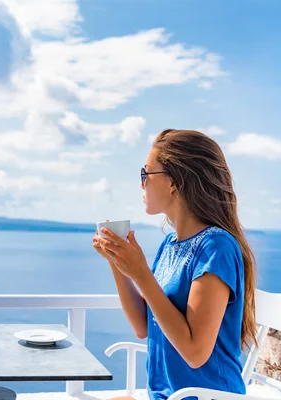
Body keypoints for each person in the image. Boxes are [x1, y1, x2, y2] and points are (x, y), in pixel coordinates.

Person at [92, 129, 257, 400]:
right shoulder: (171, 244)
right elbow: (143, 327)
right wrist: (118, 263)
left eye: (146, 174)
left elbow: (195, 353)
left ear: (174, 183)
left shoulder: (216, 247)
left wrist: (142, 274)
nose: (141, 184)